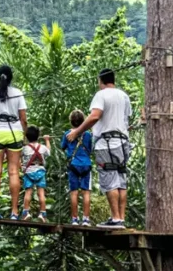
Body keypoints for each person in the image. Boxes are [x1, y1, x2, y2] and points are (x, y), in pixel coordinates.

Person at [66, 68, 132, 228]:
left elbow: (95, 115)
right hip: (123, 143)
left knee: (110, 180)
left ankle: (115, 218)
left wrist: (77, 131)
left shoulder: (101, 95)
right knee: (120, 180)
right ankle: (120, 218)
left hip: (106, 143)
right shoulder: (124, 96)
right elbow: (126, 119)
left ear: (100, 80)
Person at [0, 64, 27, 220]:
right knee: (13, 171)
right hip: (14, 132)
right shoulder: (18, 93)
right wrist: (25, 136)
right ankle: (14, 212)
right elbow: (23, 119)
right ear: (11, 78)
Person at [61, 109, 93, 226]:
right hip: (86, 165)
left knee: (74, 193)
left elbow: (62, 146)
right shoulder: (88, 134)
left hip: (73, 164)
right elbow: (90, 149)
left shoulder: (67, 134)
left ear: (71, 121)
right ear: (83, 121)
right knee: (86, 193)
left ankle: (74, 219)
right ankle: (86, 219)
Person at [20, 126, 50, 222]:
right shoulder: (42, 147)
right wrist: (47, 140)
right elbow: (49, 152)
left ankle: (25, 213)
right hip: (40, 171)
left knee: (28, 192)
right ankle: (43, 214)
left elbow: (19, 157)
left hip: (28, 172)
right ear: (38, 136)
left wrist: (21, 166)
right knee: (41, 193)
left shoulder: (24, 149)